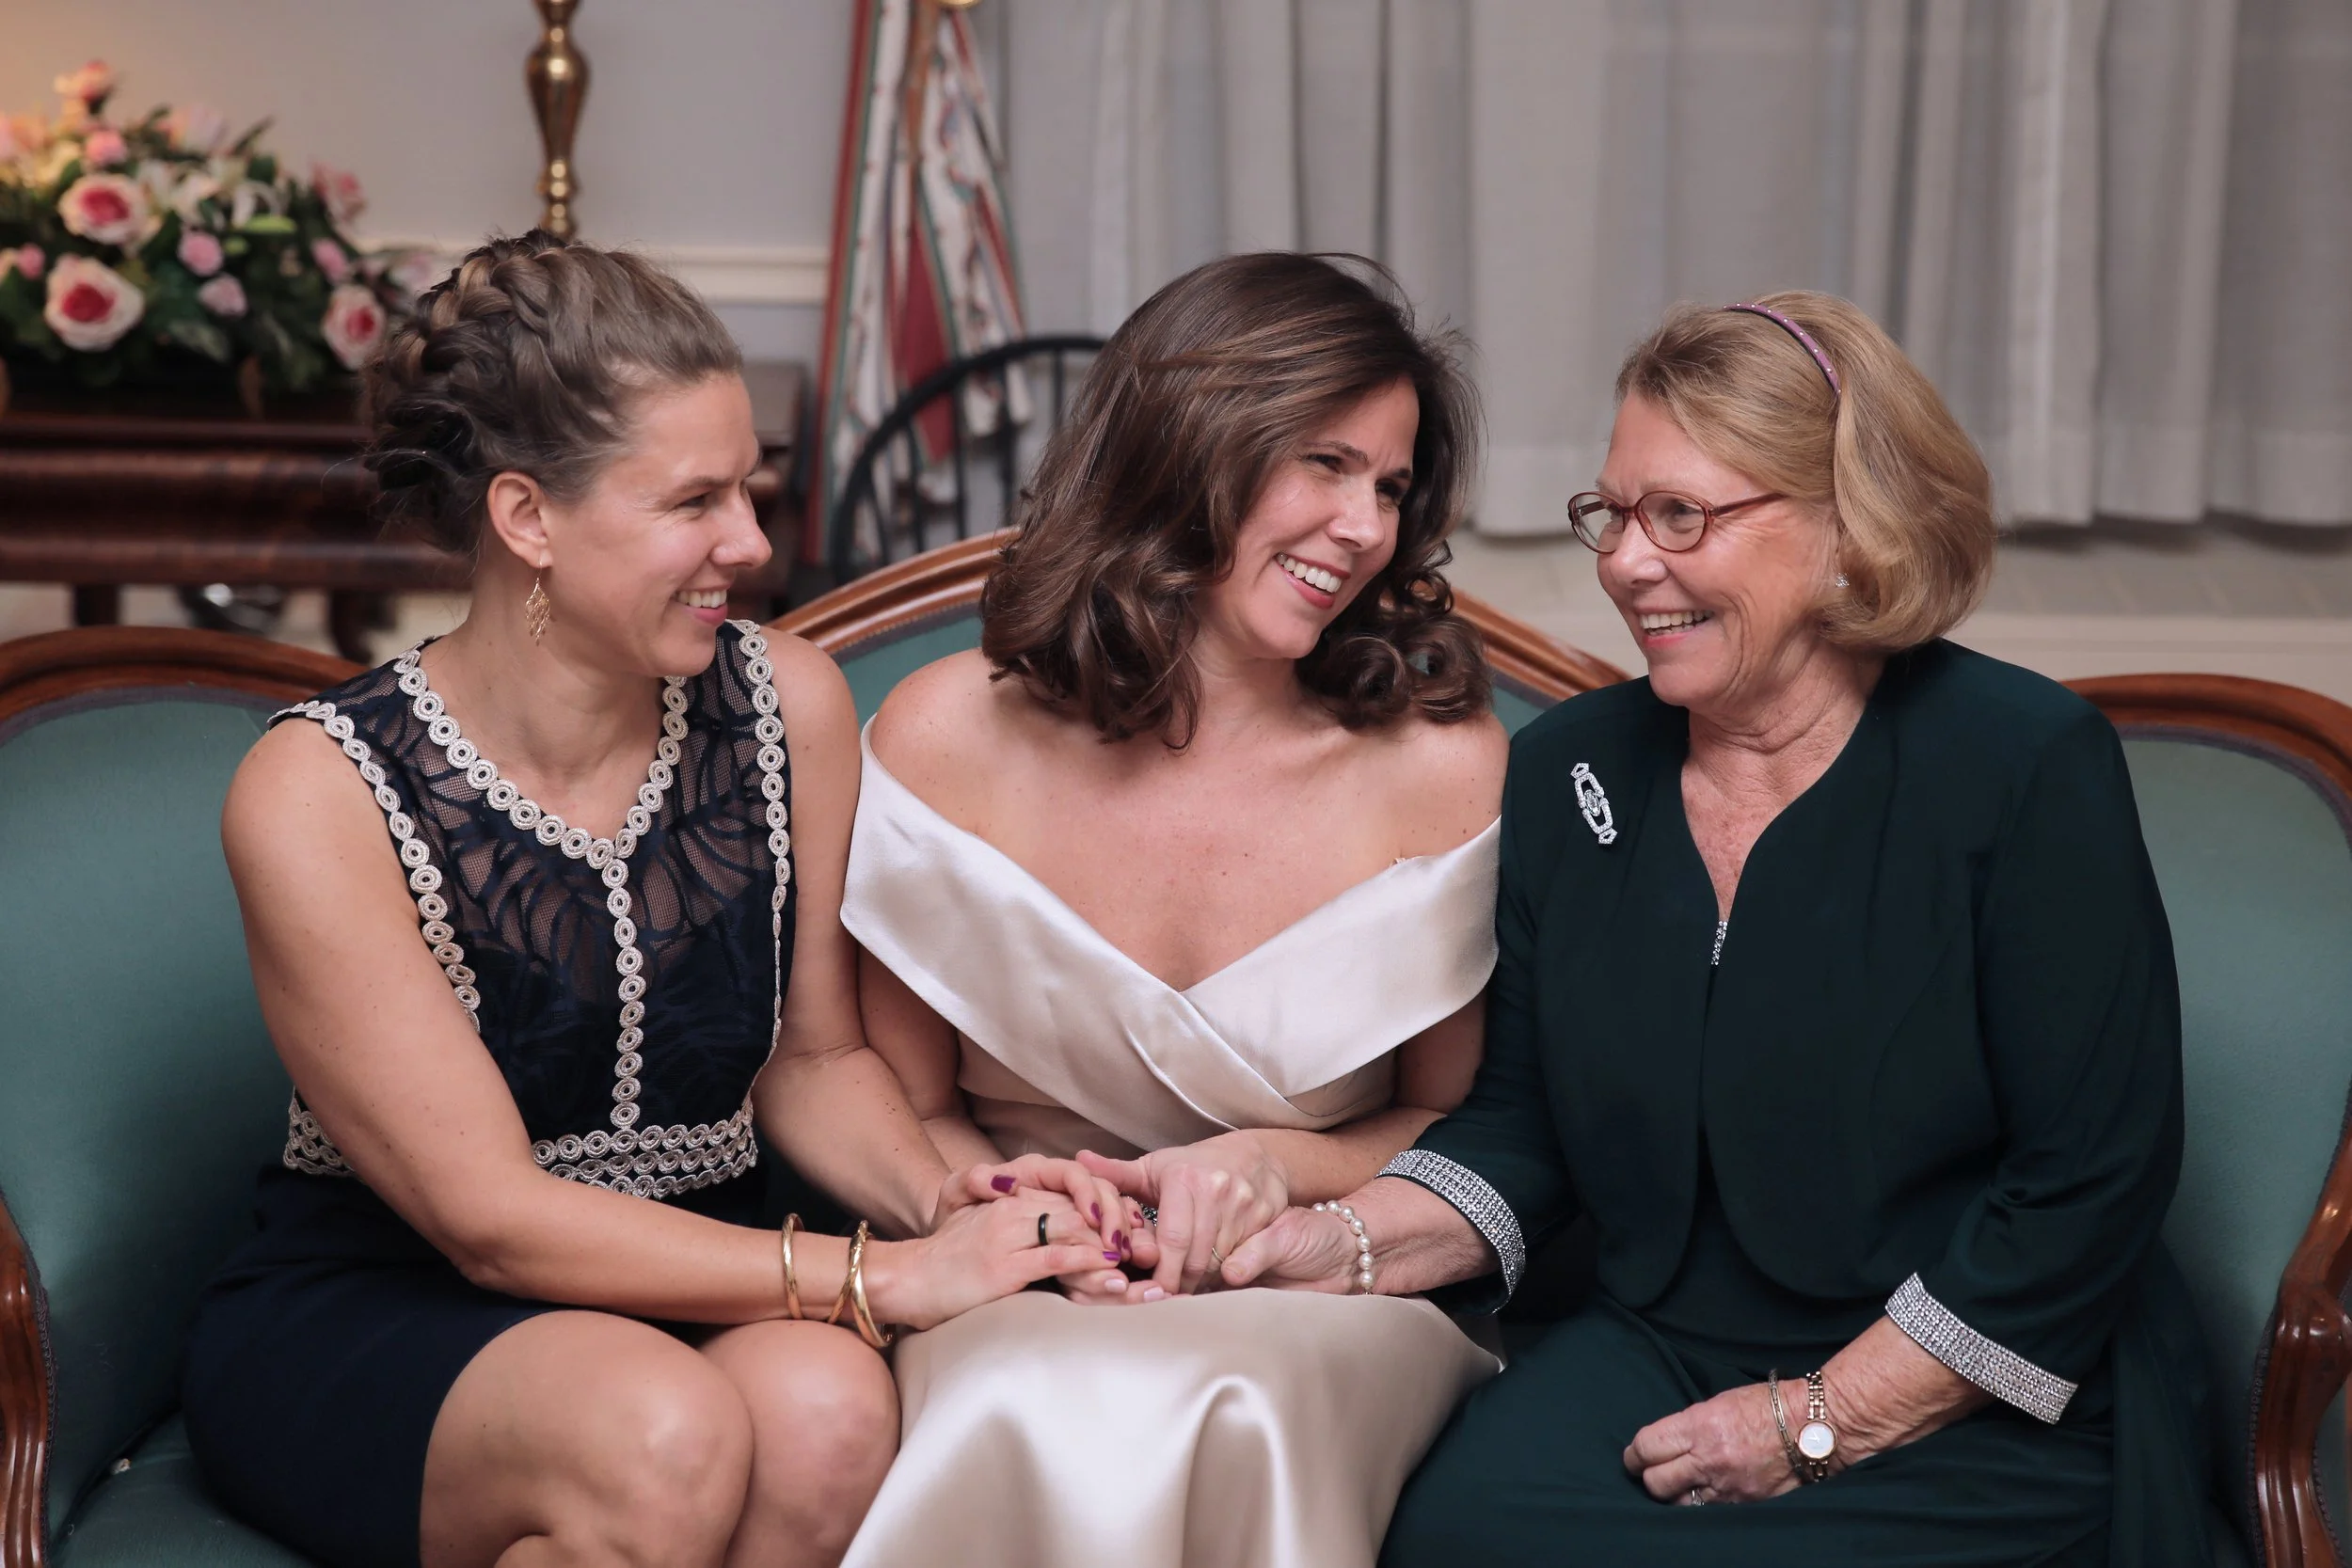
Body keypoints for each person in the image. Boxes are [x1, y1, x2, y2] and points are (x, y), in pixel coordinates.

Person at [181, 233, 1125, 1568]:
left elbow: (814, 1059)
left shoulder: (785, 703)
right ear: (528, 520)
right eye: (693, 501)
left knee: (830, 1417)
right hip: (395, 1298)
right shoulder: (316, 789)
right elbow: (488, 1217)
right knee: (660, 1431)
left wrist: (952, 1199)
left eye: (750, 488)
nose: (745, 541)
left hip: (710, 1260)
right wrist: (880, 1276)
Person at [1230, 292, 2215, 1565]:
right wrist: (1350, 1240)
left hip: (1982, 1373)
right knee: (1449, 1535)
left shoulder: (2023, 767)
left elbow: (2090, 1178)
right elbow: (1522, 1121)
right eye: (1614, 514)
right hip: (1663, 1333)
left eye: (1682, 515)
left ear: (1850, 526)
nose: (1628, 562)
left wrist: (1826, 1418)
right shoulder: (1573, 772)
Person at [835, 252, 1505, 1568]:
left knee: (1239, 1400)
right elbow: (901, 1093)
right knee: (1017, 1397)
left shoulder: (1441, 770)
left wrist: (1265, 1169)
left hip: (1311, 1284)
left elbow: (1456, 1119)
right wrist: (979, 1208)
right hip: (1019, 1275)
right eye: (1324, 463)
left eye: (1388, 486)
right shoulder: (945, 738)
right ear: (1190, 442)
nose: (1365, 527)